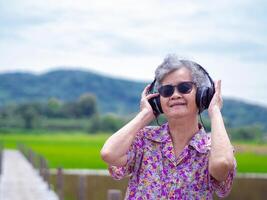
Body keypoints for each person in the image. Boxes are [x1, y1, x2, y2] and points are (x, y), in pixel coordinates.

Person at [101, 54, 236, 199]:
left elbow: (222, 165)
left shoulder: (213, 149)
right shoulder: (144, 139)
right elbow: (109, 153)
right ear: (158, 100)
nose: (175, 95)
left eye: (184, 88)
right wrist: (145, 114)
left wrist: (214, 110)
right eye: (167, 91)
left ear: (202, 95)